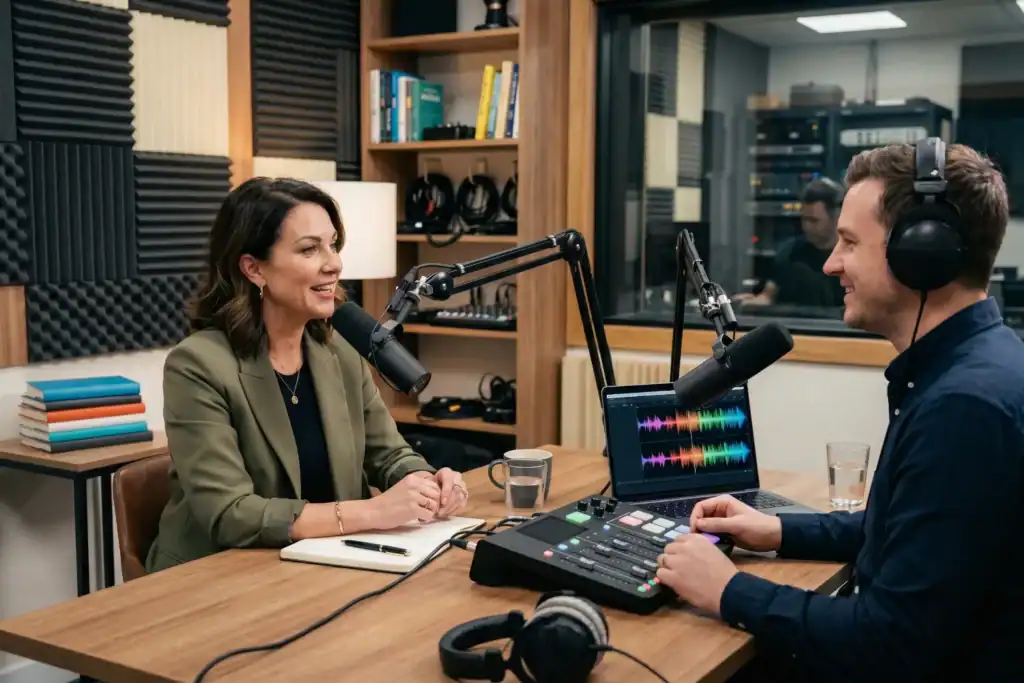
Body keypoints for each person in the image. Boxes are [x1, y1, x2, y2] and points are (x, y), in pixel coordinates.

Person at [654, 142, 1024, 681]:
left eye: (849, 243)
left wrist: (729, 590)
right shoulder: (981, 364)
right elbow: (904, 533)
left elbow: (891, 642)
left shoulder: (963, 408)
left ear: (922, 254)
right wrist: (777, 529)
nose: (831, 263)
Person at [146, 177, 469, 572]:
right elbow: (231, 514)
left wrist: (426, 484)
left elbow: (389, 454)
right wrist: (372, 512)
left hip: (319, 568)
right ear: (253, 269)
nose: (333, 263)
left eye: (332, 244)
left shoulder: (340, 352)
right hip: (215, 578)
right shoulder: (196, 365)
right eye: (309, 249)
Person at [737, 177, 846, 307]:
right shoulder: (789, 252)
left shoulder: (852, 257)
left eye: (813, 220)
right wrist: (747, 303)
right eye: (804, 219)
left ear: (837, 218)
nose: (806, 226)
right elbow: (768, 296)